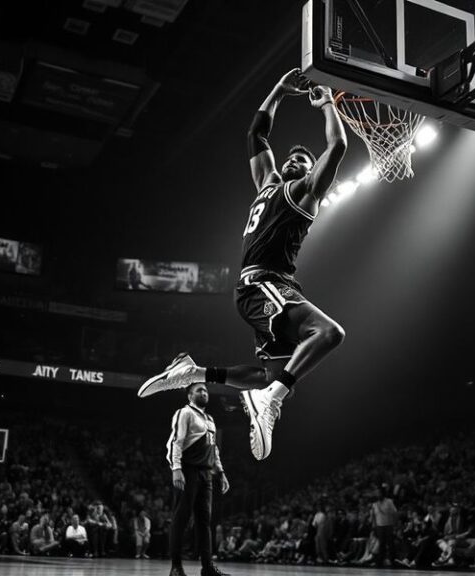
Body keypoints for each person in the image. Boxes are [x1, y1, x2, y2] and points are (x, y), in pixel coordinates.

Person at [139, 68, 347, 462]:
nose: (294, 161)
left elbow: (336, 147)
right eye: (291, 157)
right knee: (329, 334)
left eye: (302, 160)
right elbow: (256, 134)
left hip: (270, 286)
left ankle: (196, 373)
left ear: (309, 172)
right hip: (262, 286)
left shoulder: (305, 193)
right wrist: (279, 91)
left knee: (275, 372)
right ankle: (272, 397)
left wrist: (327, 107)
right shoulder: (268, 183)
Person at [166, 383, 230, 576]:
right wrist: (176, 469)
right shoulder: (184, 413)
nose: (204, 392)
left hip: (206, 474)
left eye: (205, 390)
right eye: (199, 390)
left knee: (204, 522)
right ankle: (176, 567)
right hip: (188, 471)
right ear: (189, 395)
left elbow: (214, 449)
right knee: (181, 519)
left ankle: (208, 568)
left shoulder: (210, 419)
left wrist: (221, 471)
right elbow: (176, 442)